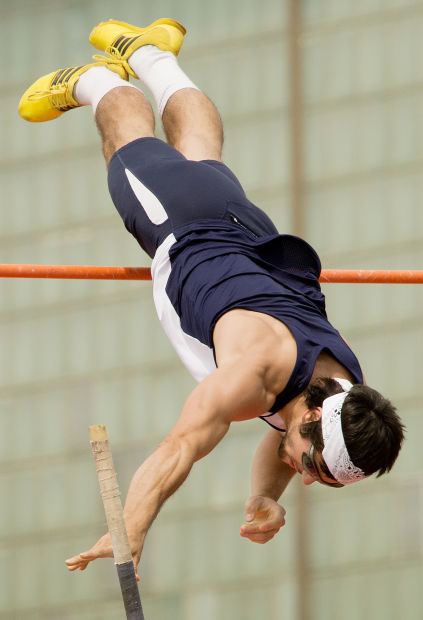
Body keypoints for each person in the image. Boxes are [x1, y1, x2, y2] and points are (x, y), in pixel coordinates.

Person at [19, 18, 405, 578]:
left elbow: (284, 434)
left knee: (202, 151)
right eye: (311, 468)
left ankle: (152, 54)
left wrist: (264, 495)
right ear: (316, 418)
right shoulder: (250, 377)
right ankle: (98, 79)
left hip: (245, 232)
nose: (302, 477)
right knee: (125, 138)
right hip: (181, 222)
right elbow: (181, 446)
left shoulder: (345, 392)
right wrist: (134, 524)